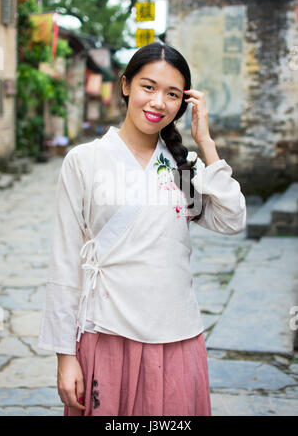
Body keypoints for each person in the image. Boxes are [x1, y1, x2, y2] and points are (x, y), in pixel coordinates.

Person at [37, 42, 246, 416]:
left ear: (184, 103)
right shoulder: (84, 162)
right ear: (125, 85)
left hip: (176, 336)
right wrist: (64, 356)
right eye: (148, 87)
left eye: (172, 94)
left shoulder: (185, 168)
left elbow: (232, 219)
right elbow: (65, 261)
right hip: (107, 333)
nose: (158, 103)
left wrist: (206, 141)